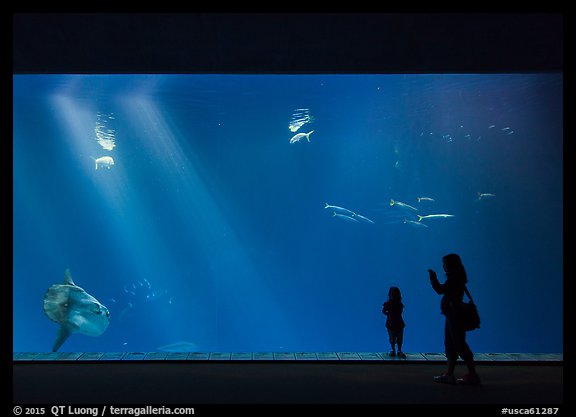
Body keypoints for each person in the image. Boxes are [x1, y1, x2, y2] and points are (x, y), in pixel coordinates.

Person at [428, 253, 481, 385]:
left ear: (451, 265)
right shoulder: (458, 278)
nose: (443, 266)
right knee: (451, 344)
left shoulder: (454, 279)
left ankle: (471, 374)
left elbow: (440, 290)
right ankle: (451, 373)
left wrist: (433, 278)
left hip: (454, 316)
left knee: (458, 344)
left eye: (445, 263)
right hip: (451, 315)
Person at [382, 286, 406, 358]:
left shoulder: (399, 304)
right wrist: (389, 315)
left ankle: (399, 350)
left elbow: (384, 311)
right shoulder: (388, 304)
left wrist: (389, 315)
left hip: (397, 323)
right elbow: (384, 311)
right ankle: (393, 349)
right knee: (392, 338)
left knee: (399, 337)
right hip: (392, 323)